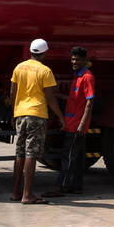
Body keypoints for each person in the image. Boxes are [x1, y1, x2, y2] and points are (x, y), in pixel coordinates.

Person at [8, 38, 61, 204]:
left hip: (21, 114)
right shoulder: (45, 71)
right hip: (36, 115)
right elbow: (50, 98)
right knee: (32, 153)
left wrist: (14, 113)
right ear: (45, 53)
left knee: (20, 152)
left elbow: (12, 93)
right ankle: (27, 194)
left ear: (31, 51)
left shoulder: (19, 67)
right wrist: (60, 116)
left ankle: (16, 192)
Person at [46, 46, 95, 197]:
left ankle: (61, 186)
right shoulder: (77, 76)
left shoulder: (87, 77)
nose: (74, 62)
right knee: (78, 156)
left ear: (85, 61)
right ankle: (76, 186)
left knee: (68, 156)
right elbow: (76, 99)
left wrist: (82, 123)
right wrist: (60, 96)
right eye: (73, 59)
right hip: (72, 122)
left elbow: (89, 102)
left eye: (78, 59)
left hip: (76, 125)